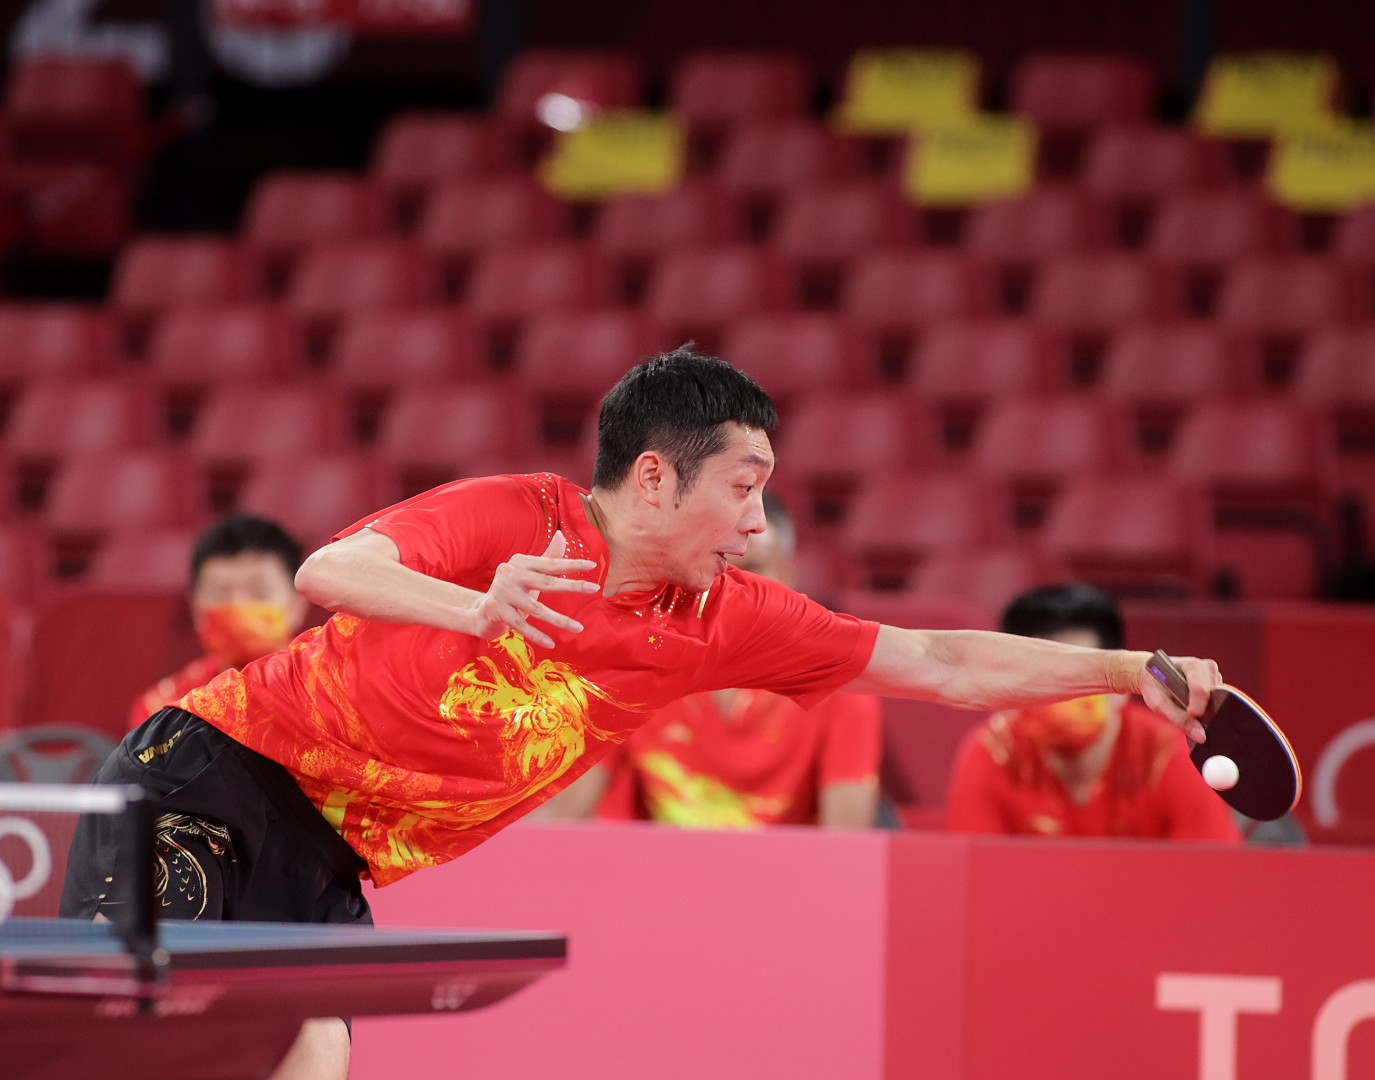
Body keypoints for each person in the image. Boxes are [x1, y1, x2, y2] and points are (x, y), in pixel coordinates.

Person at [62, 348, 1225, 1078]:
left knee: (314, 1059)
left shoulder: (724, 617)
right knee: (150, 1048)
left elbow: (935, 659)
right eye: (746, 484)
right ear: (658, 477)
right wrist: (473, 608)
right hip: (204, 780)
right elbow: (328, 571)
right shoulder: (515, 518)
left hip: (331, 859)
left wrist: (1128, 675)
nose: (759, 523)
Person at [541, 493, 881, 828]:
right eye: (719, 568)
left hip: (786, 880)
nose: (732, 590)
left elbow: (846, 851)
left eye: (754, 568)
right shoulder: (631, 668)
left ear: (789, 577)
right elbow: (565, 826)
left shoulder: (841, 691)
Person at [945, 584, 1242, 843]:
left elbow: (1209, 886)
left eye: (1077, 678)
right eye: (1040, 679)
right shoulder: (991, 754)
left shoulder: (1168, 756)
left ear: (1123, 684)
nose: (1057, 696)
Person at [123, 515, 313, 730]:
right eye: (221, 594)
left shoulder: (328, 694)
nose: (238, 606)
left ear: (297, 605)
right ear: (196, 608)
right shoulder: (164, 710)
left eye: (260, 592)